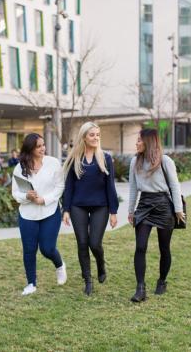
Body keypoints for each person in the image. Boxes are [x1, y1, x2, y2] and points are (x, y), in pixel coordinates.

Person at [127, 129, 185, 302]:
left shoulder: (165, 161)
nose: (136, 143)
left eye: (139, 140)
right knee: (140, 247)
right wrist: (131, 211)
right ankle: (140, 288)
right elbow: (132, 188)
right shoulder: (134, 162)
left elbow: (175, 186)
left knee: (164, 247)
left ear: (148, 142)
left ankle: (162, 281)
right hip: (144, 205)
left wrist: (178, 210)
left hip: (163, 206)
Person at [62, 122, 118, 296]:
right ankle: (88, 280)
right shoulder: (74, 158)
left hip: (100, 206)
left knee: (94, 243)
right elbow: (69, 186)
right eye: (92, 134)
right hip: (78, 205)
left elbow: (110, 187)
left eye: (98, 134)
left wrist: (113, 212)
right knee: (82, 243)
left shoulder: (106, 158)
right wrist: (66, 209)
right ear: (84, 137)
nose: (96, 138)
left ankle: (101, 264)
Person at [11, 133, 67, 296]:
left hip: (50, 211)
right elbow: (15, 192)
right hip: (27, 214)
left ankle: (60, 265)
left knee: (47, 248)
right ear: (30, 149)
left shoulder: (53, 163)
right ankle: (31, 283)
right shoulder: (19, 168)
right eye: (39, 146)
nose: (43, 148)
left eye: (43, 145)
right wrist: (26, 197)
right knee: (29, 250)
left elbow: (59, 187)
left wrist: (45, 199)